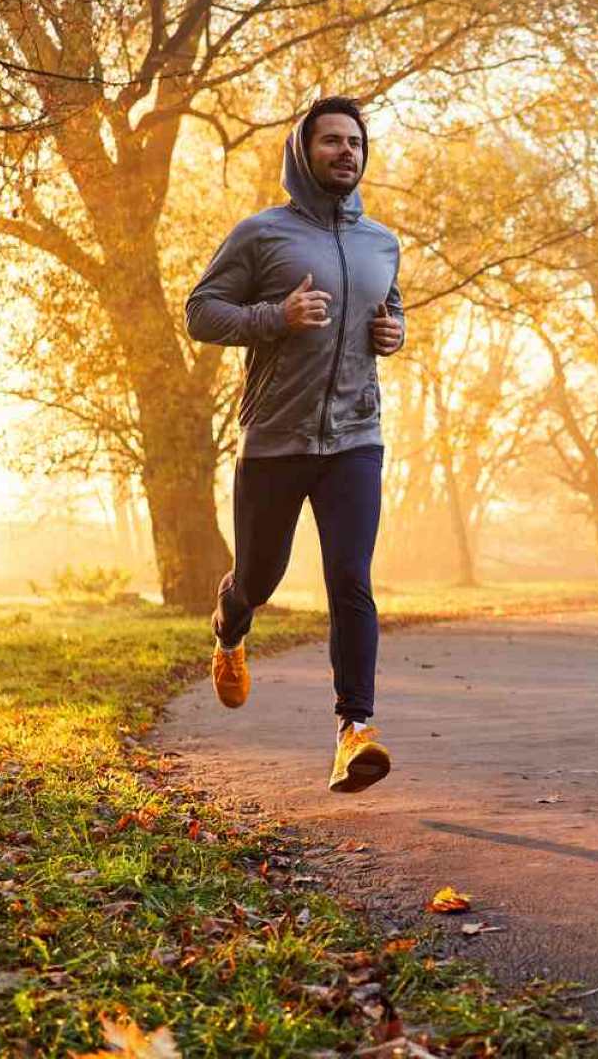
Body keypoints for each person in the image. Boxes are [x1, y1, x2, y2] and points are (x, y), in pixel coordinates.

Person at [184, 95, 404, 793]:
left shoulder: (382, 242)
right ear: (303, 152)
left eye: (355, 143)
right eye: (332, 141)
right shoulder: (262, 235)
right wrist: (275, 317)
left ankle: (354, 731)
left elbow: (387, 310)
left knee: (351, 579)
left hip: (355, 438)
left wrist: (394, 334)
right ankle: (230, 626)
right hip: (276, 438)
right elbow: (201, 312)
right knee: (260, 576)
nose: (346, 152)